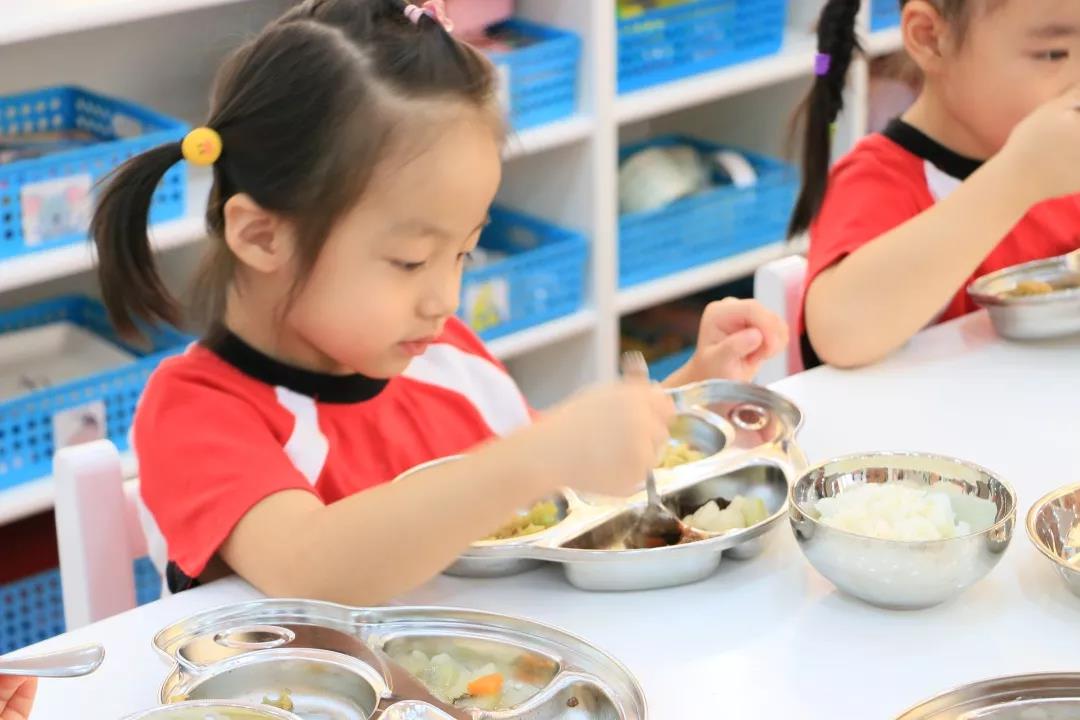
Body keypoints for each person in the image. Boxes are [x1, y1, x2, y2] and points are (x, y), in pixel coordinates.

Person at [90, 0, 787, 605]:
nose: (446, 297)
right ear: (262, 235)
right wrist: (535, 457)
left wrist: (685, 395)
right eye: (411, 261)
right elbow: (310, 564)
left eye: (464, 251)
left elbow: (551, 487)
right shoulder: (196, 414)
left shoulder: (441, 356)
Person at [791, 0, 1080, 368]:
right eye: (1053, 54)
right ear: (930, 39)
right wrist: (1018, 178)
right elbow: (841, 333)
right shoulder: (878, 182)